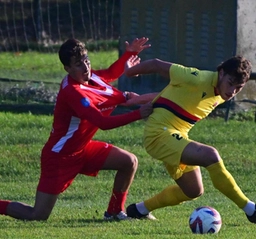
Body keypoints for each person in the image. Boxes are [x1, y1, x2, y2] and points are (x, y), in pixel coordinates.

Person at [0, 37, 154, 221]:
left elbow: (110, 73)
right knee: (38, 215)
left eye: (86, 60)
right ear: (67, 69)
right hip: (59, 157)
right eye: (79, 64)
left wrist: (130, 53)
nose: (86, 67)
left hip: (82, 149)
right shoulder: (72, 92)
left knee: (129, 161)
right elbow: (102, 123)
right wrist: (138, 113)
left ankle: (114, 212)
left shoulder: (91, 77)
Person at [123, 55, 256, 224]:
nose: (232, 92)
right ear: (221, 73)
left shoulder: (221, 93)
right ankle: (250, 209)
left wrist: (137, 99)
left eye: (238, 88)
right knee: (210, 155)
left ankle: (139, 210)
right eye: (230, 84)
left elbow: (169, 94)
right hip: (158, 135)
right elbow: (157, 65)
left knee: (193, 190)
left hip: (175, 137)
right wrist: (129, 72)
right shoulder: (196, 77)